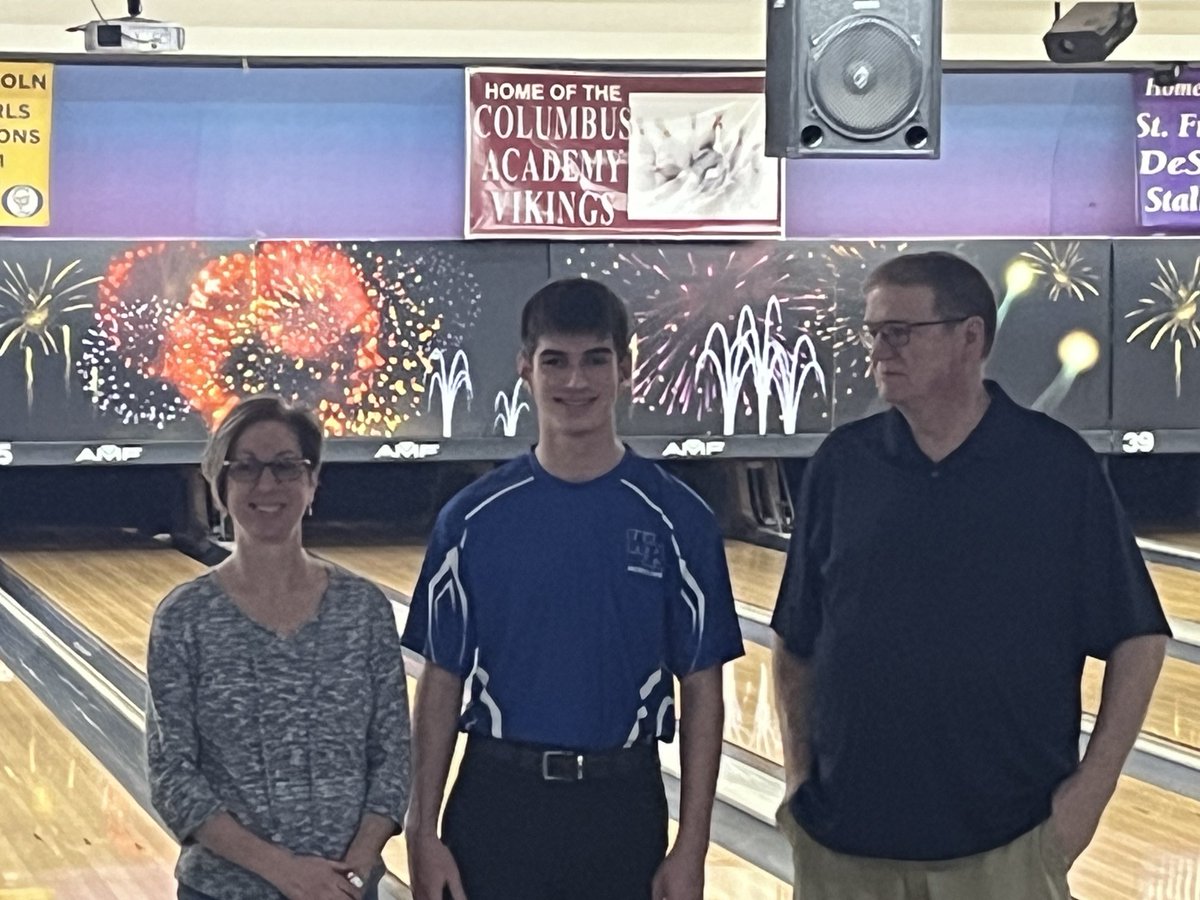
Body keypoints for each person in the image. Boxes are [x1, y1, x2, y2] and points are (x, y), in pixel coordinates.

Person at [771, 251, 1170, 900]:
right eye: (873, 332)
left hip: (1007, 848)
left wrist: (1087, 798)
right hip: (842, 850)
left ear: (970, 337)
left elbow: (1139, 639)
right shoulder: (843, 466)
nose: (880, 350)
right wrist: (797, 782)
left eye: (900, 331)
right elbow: (795, 645)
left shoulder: (1054, 468)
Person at [400, 278, 745, 900]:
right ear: (525, 369)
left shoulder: (679, 519)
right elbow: (441, 679)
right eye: (555, 361)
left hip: (623, 805)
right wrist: (421, 830)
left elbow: (702, 690)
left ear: (625, 369)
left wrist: (691, 846)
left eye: (595, 360)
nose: (575, 382)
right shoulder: (471, 518)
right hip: (497, 803)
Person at [146, 396, 412, 900]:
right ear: (220, 488)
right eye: (244, 468)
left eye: (286, 467)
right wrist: (285, 872)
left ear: (312, 483)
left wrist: (354, 869)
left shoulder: (364, 610)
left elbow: (393, 756)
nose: (266, 485)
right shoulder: (184, 619)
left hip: (345, 890)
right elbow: (172, 776)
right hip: (222, 891)